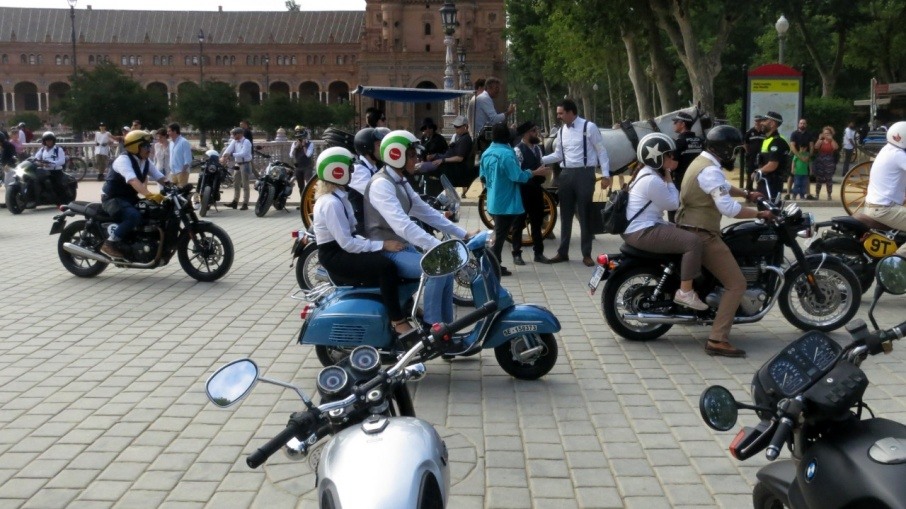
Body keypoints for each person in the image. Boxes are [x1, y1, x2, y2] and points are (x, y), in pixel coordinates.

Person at [675, 125, 774, 358]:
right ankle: (717, 339)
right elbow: (727, 208)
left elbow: (722, 188)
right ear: (726, 149)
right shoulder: (711, 170)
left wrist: (747, 194)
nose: (736, 154)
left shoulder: (704, 162)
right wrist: (759, 214)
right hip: (702, 232)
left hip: (691, 225)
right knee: (737, 284)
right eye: (735, 149)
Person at [364, 130, 469, 326]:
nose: (416, 159)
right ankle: (432, 327)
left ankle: (446, 327)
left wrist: (464, 234)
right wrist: (435, 244)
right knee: (438, 267)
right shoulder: (381, 184)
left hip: (401, 247)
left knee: (447, 266)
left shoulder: (400, 180)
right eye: (411, 155)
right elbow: (402, 225)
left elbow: (425, 211)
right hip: (385, 250)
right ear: (396, 155)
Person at [312, 147, 412, 335]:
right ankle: (398, 321)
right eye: (349, 168)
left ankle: (402, 307)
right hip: (335, 256)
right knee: (386, 267)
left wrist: (377, 245)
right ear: (337, 171)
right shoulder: (331, 203)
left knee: (389, 263)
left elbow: (350, 237)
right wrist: (383, 244)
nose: (352, 172)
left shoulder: (338, 197)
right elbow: (347, 243)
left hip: (339, 251)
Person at [624, 133, 707, 311]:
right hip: (643, 231)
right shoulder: (652, 180)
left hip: (641, 228)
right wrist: (669, 177)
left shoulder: (646, 173)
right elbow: (673, 203)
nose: (673, 157)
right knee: (693, 242)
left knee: (684, 232)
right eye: (669, 154)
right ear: (657, 158)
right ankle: (685, 292)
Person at [541, 98, 612, 266]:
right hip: (566, 174)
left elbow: (601, 151)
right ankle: (562, 252)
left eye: (560, 113)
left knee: (585, 213)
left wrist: (606, 175)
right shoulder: (561, 131)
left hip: (585, 173)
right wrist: (539, 159)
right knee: (565, 215)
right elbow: (558, 155)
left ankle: (586, 253)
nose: (558, 116)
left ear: (570, 112)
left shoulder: (589, 127)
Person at [481, 122, 551, 275]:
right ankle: (493, 265)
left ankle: (495, 263)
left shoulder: (486, 153)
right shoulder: (507, 154)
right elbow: (517, 176)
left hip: (494, 199)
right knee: (501, 234)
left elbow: (483, 177)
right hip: (507, 201)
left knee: (500, 233)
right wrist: (534, 173)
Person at [99, 130, 169, 259]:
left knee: (150, 212)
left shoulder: (145, 161)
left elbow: (160, 177)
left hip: (128, 198)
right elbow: (132, 180)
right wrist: (149, 194)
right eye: (146, 146)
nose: (149, 149)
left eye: (150, 145)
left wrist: (175, 188)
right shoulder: (123, 160)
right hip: (113, 198)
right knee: (134, 216)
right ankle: (110, 243)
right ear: (135, 147)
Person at [863, 121, 906, 257]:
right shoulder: (898, 154)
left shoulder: (887, 149)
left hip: (875, 207)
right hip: (884, 210)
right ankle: (896, 265)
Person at [513, 121, 552, 264]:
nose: (536, 133)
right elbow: (517, 172)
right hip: (523, 190)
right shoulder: (518, 150)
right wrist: (537, 173)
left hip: (536, 189)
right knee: (519, 222)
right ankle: (517, 253)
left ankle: (539, 253)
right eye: (533, 131)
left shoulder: (537, 149)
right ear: (526, 134)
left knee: (537, 220)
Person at [416, 116, 474, 196]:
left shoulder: (465, 140)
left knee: (420, 167)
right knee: (419, 166)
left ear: (465, 127)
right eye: (455, 126)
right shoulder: (460, 138)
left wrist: (442, 160)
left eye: (458, 127)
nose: (455, 128)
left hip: (447, 166)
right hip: (442, 161)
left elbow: (459, 158)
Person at [348, 127, 390, 226]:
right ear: (368, 148)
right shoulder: (359, 170)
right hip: (359, 224)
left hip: (371, 221)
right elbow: (377, 194)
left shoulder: (373, 167)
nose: (382, 148)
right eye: (379, 145)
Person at [669, 111, 704, 222]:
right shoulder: (700, 141)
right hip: (699, 183)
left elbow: (673, 166)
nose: (674, 124)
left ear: (683, 124)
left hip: (681, 183)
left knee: (675, 212)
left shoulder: (679, 142)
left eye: (676, 122)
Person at [755, 111, 791, 199]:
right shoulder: (767, 139)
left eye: (764, 120)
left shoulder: (777, 141)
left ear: (772, 124)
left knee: (769, 210)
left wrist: (758, 171)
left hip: (772, 182)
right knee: (762, 208)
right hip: (764, 180)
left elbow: (772, 165)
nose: (762, 123)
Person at [220, 127, 253, 210]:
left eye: (235, 134)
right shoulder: (235, 141)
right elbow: (229, 149)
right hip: (238, 164)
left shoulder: (246, 142)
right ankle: (235, 201)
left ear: (240, 134)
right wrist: (224, 156)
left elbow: (243, 153)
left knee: (245, 184)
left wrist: (231, 155)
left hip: (245, 164)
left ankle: (245, 203)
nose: (233, 136)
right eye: (233, 134)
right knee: (236, 183)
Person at [32, 131, 68, 206]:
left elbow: (62, 160)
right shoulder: (42, 150)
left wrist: (52, 164)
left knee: (58, 184)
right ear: (44, 141)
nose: (49, 142)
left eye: (50, 140)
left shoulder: (58, 149)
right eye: (47, 140)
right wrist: (38, 162)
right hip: (45, 171)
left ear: (53, 141)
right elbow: (36, 157)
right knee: (36, 181)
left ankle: (63, 201)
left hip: (56, 171)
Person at [787, 118, 815, 200]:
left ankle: (808, 194)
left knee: (806, 176)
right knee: (791, 175)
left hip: (806, 156)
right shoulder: (794, 134)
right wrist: (800, 157)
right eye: (801, 123)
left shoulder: (809, 134)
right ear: (798, 124)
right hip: (795, 156)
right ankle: (788, 193)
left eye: (804, 123)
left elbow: (812, 146)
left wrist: (809, 156)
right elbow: (792, 146)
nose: (802, 125)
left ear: (806, 125)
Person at [290, 125, 315, 206]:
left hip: (307, 167)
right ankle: (303, 204)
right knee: (301, 186)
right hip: (298, 167)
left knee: (309, 185)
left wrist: (304, 146)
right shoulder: (294, 144)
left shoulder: (310, 144)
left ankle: (310, 202)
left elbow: (308, 155)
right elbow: (291, 155)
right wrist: (295, 148)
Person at [812, 126, 839, 200]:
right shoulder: (821, 140)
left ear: (831, 134)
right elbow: (816, 147)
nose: (826, 135)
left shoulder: (832, 141)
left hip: (829, 161)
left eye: (828, 133)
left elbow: (836, 147)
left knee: (829, 179)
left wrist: (831, 139)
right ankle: (817, 194)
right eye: (825, 133)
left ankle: (829, 195)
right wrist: (820, 139)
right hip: (820, 161)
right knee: (819, 179)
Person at [743, 115, 766, 191]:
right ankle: (749, 190)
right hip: (751, 156)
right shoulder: (750, 132)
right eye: (756, 121)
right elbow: (744, 143)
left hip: (761, 156)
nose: (758, 122)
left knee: (761, 172)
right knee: (750, 173)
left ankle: (760, 189)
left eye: (759, 121)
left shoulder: (764, 133)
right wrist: (748, 152)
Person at [167, 123, 193, 187]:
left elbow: (188, 159)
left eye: (169, 131)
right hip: (173, 172)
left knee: (181, 193)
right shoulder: (171, 143)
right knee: (173, 193)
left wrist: (183, 172)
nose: (168, 133)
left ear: (175, 131)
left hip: (181, 172)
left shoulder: (184, 142)